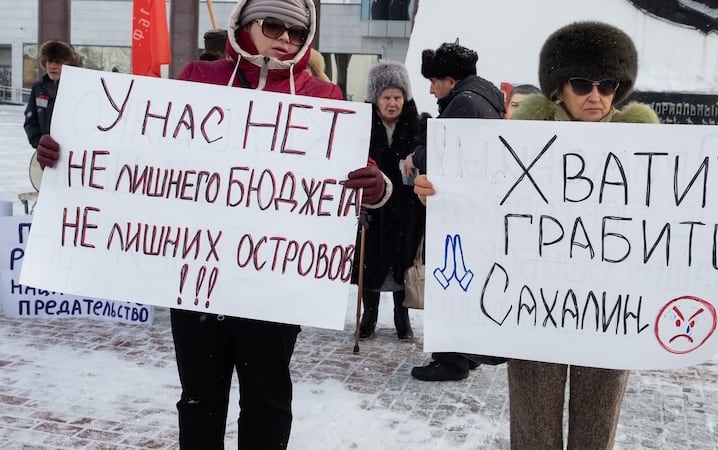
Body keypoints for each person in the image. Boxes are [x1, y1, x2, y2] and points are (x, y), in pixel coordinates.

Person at [413, 21, 718, 449]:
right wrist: (440, 197)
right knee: (533, 431)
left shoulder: (647, 147)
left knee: (596, 432)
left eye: (608, 85)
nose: (596, 96)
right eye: (582, 83)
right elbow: (481, 203)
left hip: (613, 312)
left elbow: (693, 224)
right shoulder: (516, 141)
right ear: (559, 86)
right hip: (534, 308)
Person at [36, 0, 390, 448]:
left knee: (268, 399)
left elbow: (357, 172)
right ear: (243, 24)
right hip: (198, 276)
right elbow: (141, 156)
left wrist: (375, 187)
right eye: (274, 25)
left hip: (274, 282)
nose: (285, 39)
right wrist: (67, 154)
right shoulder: (198, 81)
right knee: (200, 399)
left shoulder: (323, 98)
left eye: (297, 32)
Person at [409, 40, 506, 382]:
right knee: (463, 277)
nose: (432, 90)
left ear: (449, 79)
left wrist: (416, 156)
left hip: (457, 211)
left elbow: (444, 154)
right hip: (474, 209)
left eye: (435, 81)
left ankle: (450, 359)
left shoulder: (464, 103)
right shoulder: (485, 98)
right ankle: (465, 353)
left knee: (449, 279)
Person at [353, 60, 424, 341]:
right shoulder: (362, 126)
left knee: (401, 263)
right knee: (370, 263)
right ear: (376, 99)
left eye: (397, 97)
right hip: (374, 208)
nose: (392, 103)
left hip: (407, 210)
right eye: (386, 97)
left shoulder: (419, 126)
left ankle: (401, 315)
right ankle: (368, 315)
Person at [24, 40, 77, 149]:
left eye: (58, 62)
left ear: (68, 63)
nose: (53, 66)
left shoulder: (77, 88)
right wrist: (39, 144)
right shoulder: (38, 88)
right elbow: (31, 120)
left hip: (71, 153)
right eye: (49, 61)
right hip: (46, 155)